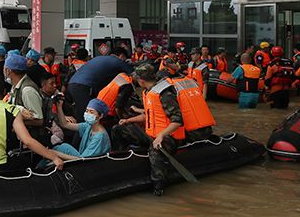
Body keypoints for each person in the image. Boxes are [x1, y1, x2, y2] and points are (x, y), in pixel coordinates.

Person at [135, 63, 215, 196]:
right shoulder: (150, 91)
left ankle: (158, 188)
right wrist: (128, 120)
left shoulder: (164, 93)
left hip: (172, 135)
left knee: (155, 151)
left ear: (141, 80)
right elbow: (152, 114)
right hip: (155, 132)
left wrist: (161, 135)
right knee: (121, 129)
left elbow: (177, 120)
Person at [0, 75, 63, 171]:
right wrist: (54, 157)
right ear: (4, 92)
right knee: (24, 162)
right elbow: (27, 141)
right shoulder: (12, 110)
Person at [68, 47, 132, 122]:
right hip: (84, 87)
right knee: (88, 116)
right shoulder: (117, 61)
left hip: (72, 84)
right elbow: (134, 74)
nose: (124, 61)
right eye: (125, 59)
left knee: (83, 113)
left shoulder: (98, 58)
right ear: (121, 56)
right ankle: (84, 133)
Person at [5, 53, 49, 145]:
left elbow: (39, 120)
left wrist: (16, 121)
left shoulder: (27, 90)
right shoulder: (15, 86)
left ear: (8, 71)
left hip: (30, 141)